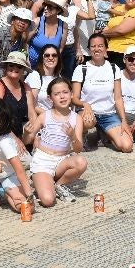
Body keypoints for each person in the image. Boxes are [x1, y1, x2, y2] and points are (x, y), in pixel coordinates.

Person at [26, 77, 88, 207]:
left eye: (65, 92)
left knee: (81, 162)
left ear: (71, 94)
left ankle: (59, 184)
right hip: (43, 161)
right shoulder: (44, 116)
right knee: (48, 201)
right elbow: (27, 140)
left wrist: (72, 136)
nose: (62, 96)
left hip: (62, 161)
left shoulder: (76, 118)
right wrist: (26, 133)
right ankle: (41, 180)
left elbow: (78, 149)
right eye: (57, 94)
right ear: (50, 98)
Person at [72, 33, 132, 153]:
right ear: (89, 49)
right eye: (93, 46)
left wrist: (124, 121)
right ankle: (85, 136)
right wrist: (85, 104)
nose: (97, 49)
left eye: (100, 46)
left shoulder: (114, 68)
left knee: (127, 146)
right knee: (88, 121)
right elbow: (74, 98)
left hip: (108, 114)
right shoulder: (81, 69)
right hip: (88, 113)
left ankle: (104, 134)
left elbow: (118, 98)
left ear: (106, 48)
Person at [0, 51, 39, 147]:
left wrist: (36, 134)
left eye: (19, 66)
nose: (15, 68)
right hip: (1, 134)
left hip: (20, 133)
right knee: (26, 160)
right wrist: (16, 140)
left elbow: (32, 114)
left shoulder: (26, 87)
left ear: (23, 69)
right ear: (6, 67)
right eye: (11, 65)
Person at [102, 0, 135, 68]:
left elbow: (120, 30)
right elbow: (107, 24)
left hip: (126, 54)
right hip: (109, 51)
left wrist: (102, 33)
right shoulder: (118, 8)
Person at [27, 0, 69, 68]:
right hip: (30, 65)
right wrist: (26, 59)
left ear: (58, 10)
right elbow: (25, 41)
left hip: (48, 67)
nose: (46, 8)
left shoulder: (64, 26)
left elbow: (61, 48)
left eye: (50, 6)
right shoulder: (37, 22)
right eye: (45, 5)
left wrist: (53, 64)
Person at [25, 44, 62, 111]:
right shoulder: (35, 75)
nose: (51, 58)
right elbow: (31, 104)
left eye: (54, 55)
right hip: (40, 117)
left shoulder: (58, 77)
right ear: (42, 58)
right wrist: (49, 116)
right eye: (47, 55)